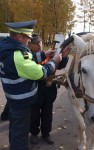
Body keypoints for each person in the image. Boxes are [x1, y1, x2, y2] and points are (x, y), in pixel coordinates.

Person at [0, 20, 62, 150]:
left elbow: (29, 59)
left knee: (15, 130)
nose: (29, 40)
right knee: (20, 138)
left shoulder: (8, 49)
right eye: (27, 37)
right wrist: (54, 62)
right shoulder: (17, 56)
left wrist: (43, 54)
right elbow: (40, 72)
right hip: (21, 104)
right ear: (19, 37)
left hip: (14, 101)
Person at [28, 33, 70, 145]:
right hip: (36, 88)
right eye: (35, 43)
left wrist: (64, 57)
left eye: (40, 43)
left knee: (47, 113)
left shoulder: (48, 54)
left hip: (49, 89)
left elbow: (60, 65)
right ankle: (34, 133)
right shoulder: (28, 57)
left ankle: (46, 133)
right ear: (30, 45)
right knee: (34, 114)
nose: (39, 45)